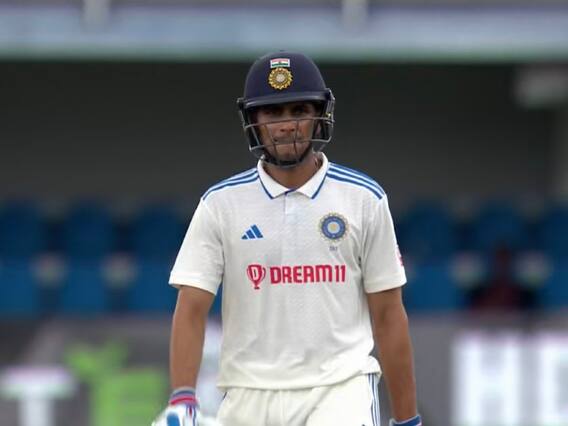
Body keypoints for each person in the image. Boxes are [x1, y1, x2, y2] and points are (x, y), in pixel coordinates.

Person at [152, 51, 421, 426]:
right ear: (254, 121)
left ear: (320, 114)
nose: (286, 125)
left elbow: (389, 315)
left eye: (299, 110)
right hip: (247, 394)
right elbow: (191, 308)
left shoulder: (364, 199)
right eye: (273, 113)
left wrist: (407, 421)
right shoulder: (220, 204)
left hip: (340, 389)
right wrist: (183, 398)